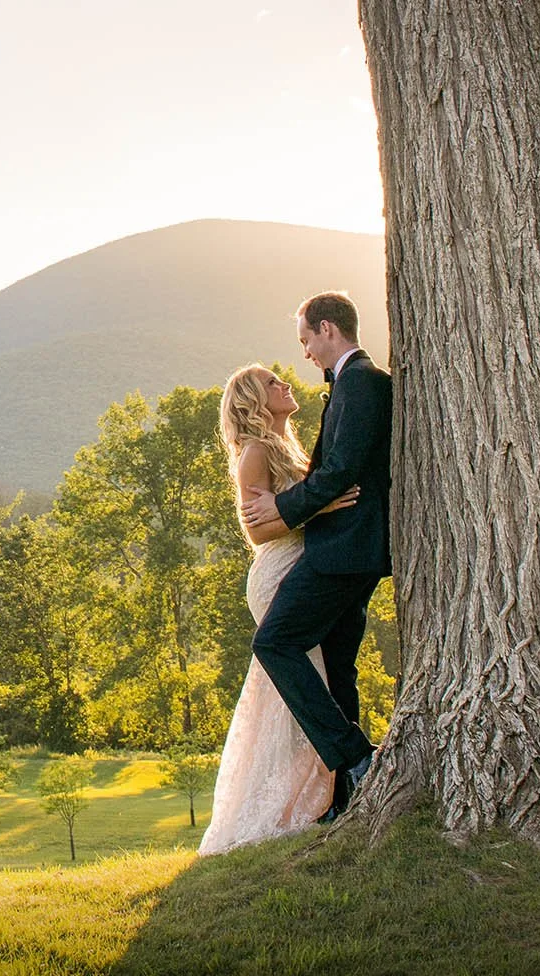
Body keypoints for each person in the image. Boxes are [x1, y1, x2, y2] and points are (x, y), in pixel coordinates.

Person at [239, 291, 394, 823]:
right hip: (344, 545)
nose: (304, 353)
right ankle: (349, 797)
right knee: (338, 673)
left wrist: (285, 506)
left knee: (275, 642)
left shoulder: (362, 381)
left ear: (328, 329)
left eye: (305, 339)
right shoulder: (350, 384)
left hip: (345, 547)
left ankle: (354, 758)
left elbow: (342, 468)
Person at [198, 363, 357, 854]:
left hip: (309, 568)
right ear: (252, 399)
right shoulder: (256, 452)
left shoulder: (288, 444)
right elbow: (258, 531)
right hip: (279, 574)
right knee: (296, 682)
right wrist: (321, 506)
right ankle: (310, 795)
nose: (284, 383)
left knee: (320, 682)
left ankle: (329, 791)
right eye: (271, 382)